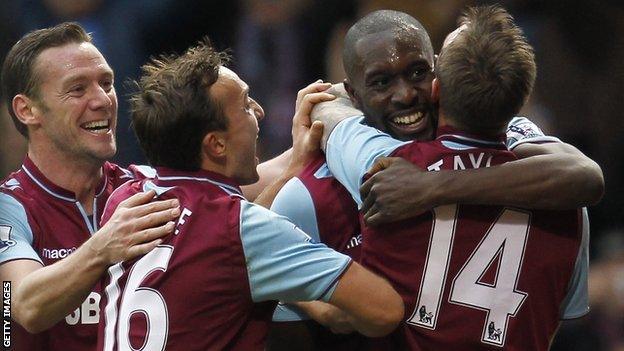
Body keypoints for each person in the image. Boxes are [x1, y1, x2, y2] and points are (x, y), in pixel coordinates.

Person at [266, 8, 602, 351]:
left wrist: (430, 186)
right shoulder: (566, 204)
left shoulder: (382, 167)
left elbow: (332, 113)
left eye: (418, 73)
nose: (405, 94)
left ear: (437, 85)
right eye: (382, 81)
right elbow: (555, 319)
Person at [96, 38, 404, 351]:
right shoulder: (242, 230)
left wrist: (291, 170)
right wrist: (312, 298)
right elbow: (384, 311)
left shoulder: (126, 200)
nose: (259, 111)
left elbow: (219, 245)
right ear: (216, 145)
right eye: (245, 105)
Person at [0, 23, 185, 350]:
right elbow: (25, 305)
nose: (103, 100)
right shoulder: (10, 207)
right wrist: (103, 248)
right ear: (27, 110)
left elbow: (232, 204)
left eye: (106, 83)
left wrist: (297, 156)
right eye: (77, 89)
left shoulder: (142, 189)